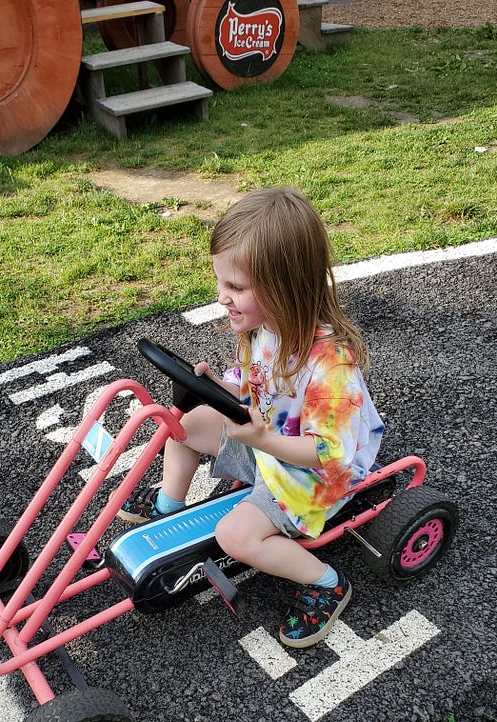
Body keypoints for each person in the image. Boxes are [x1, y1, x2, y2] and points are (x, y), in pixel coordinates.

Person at [119, 187, 384, 648]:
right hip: (268, 440)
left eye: (237, 288)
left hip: (315, 473)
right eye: (222, 283)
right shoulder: (263, 329)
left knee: (235, 537)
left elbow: (328, 453)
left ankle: (325, 583)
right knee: (179, 426)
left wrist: (261, 440)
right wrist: (219, 389)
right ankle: (168, 510)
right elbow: (251, 381)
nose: (223, 298)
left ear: (285, 288)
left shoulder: (329, 364)